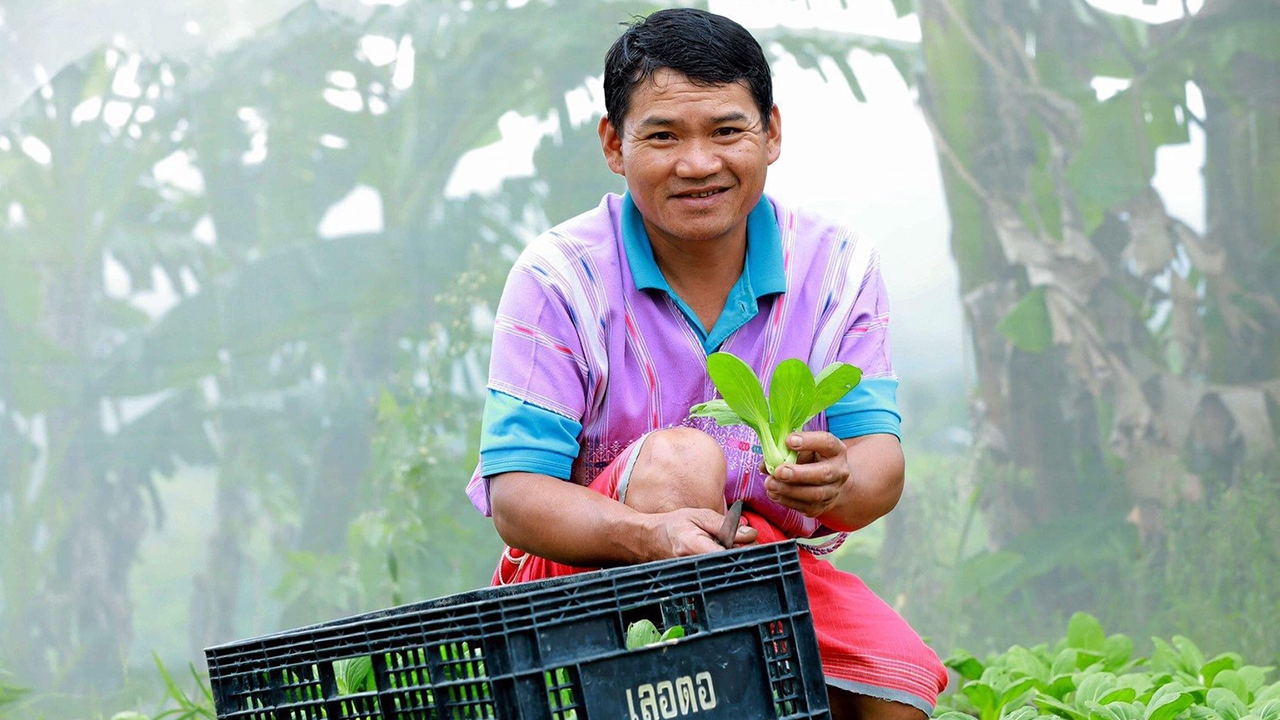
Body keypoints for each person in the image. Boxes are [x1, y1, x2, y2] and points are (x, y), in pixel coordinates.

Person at [465, 7, 947, 718]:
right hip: (582, 578)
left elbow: (879, 460)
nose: (698, 163)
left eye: (726, 131)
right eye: (663, 135)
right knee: (680, 463)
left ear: (771, 133)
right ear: (614, 144)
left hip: (758, 557)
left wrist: (837, 481)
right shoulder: (561, 277)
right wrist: (648, 535)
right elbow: (516, 496)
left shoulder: (837, 267)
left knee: (894, 692)